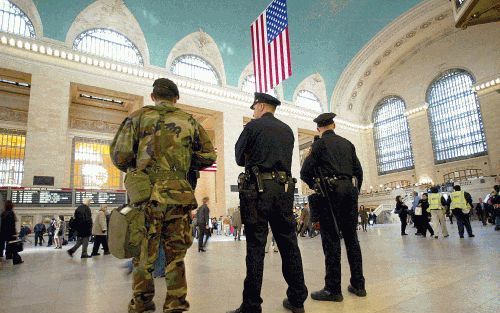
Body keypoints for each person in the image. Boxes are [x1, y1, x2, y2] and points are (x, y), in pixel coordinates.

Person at [110, 78, 216, 313]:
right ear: (176, 99)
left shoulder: (137, 117)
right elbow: (209, 156)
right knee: (175, 255)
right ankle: (175, 304)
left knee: (143, 253)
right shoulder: (189, 121)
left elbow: (119, 155)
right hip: (178, 196)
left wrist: (139, 167)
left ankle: (141, 302)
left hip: (146, 197)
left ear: (152, 96)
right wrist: (186, 163)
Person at [228, 93, 308, 313]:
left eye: (254, 108)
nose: (253, 112)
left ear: (261, 106)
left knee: (255, 246)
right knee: (289, 243)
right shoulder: (287, 130)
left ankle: (252, 304)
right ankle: (297, 299)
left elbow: (238, 158)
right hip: (283, 190)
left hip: (257, 191)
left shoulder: (253, 127)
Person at [301, 112, 365, 303]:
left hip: (330, 193)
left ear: (318, 128)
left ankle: (333, 289)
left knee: (331, 241)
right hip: (349, 192)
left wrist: (316, 185)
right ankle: (359, 285)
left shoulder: (318, 145)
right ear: (334, 126)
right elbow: (358, 172)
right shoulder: (347, 144)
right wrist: (354, 192)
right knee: (352, 239)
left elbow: (305, 172)